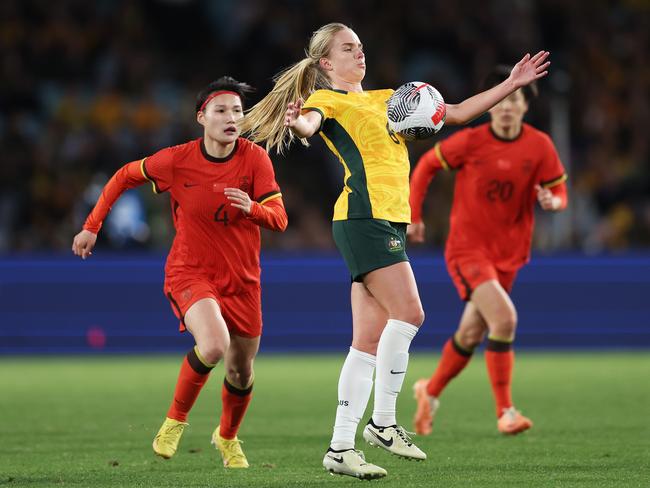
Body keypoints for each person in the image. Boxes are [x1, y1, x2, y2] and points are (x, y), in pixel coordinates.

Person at [240, 23, 550, 479]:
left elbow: (458, 112)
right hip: (363, 218)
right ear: (326, 64)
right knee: (411, 313)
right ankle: (384, 423)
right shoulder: (329, 100)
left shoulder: (390, 98)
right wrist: (299, 123)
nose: (359, 54)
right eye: (348, 49)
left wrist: (512, 83)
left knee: (366, 342)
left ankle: (340, 446)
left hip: (387, 221)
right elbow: (310, 123)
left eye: (361, 47)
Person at [71, 76, 288, 468]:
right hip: (191, 272)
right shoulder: (177, 160)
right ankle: (175, 420)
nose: (231, 118)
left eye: (237, 111)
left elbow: (280, 219)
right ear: (201, 117)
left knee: (241, 371)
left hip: (243, 281)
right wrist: (92, 225)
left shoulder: (255, 159)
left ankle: (227, 437)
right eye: (221, 110)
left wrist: (252, 209)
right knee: (214, 344)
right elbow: (123, 176)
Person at [409, 65, 568, 437]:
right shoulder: (471, 141)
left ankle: (428, 393)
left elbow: (560, 192)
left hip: (510, 254)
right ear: (491, 105)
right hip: (468, 250)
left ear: (526, 106)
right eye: (503, 100)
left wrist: (552, 202)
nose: (508, 107)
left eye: (516, 99)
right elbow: (427, 165)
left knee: (469, 334)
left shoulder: (539, 146)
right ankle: (506, 411)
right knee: (505, 320)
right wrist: (414, 215)